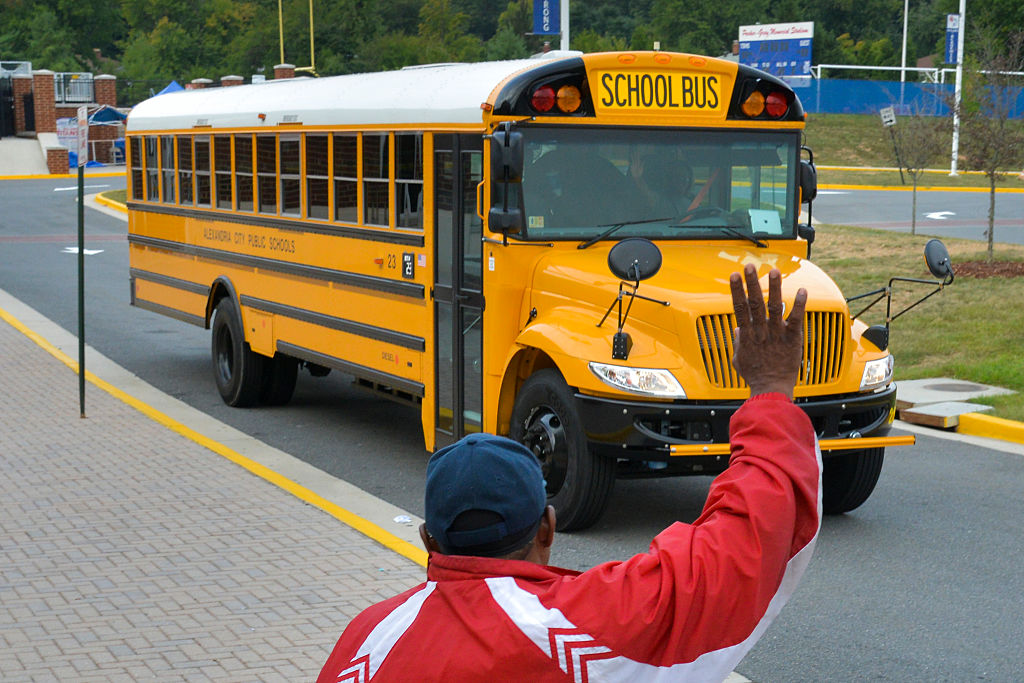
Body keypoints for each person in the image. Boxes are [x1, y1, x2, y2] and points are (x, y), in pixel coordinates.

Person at [318, 265, 818, 682]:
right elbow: (738, 548)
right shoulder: (588, 627)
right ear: (547, 528)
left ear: (429, 542)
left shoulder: (364, 645)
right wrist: (770, 391)